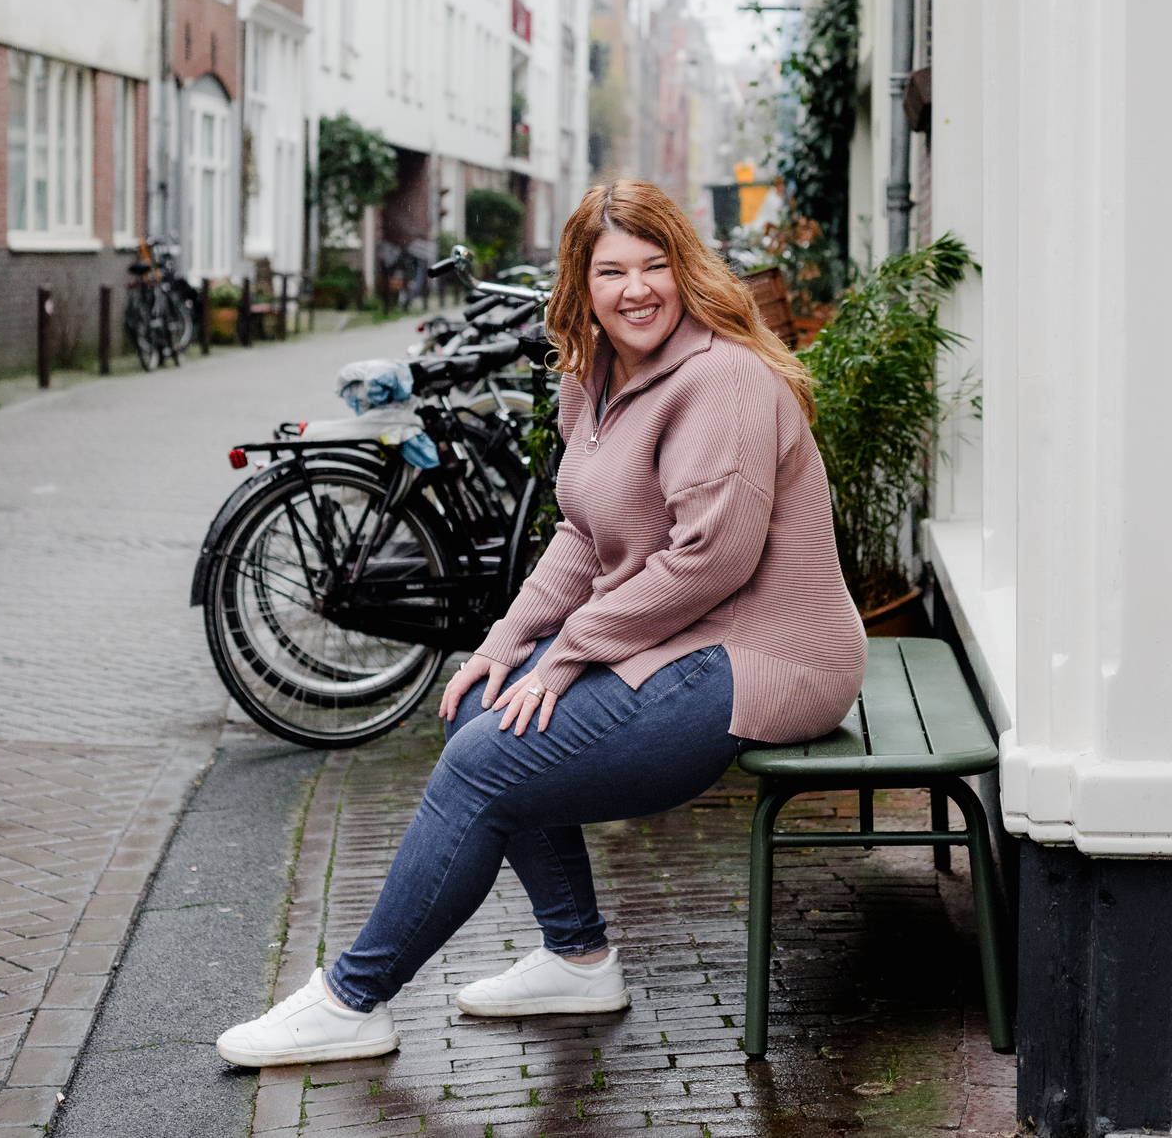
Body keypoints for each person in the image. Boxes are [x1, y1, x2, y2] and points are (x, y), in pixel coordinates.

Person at [217, 180, 867, 1068]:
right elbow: (579, 534)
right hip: (684, 632)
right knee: (478, 706)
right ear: (582, 283)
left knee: (486, 765)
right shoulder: (592, 380)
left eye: (655, 265)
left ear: (684, 270)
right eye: (612, 271)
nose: (636, 289)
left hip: (764, 653)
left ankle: (350, 999)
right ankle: (578, 958)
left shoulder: (723, 381)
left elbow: (711, 560)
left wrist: (571, 652)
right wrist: (505, 645)